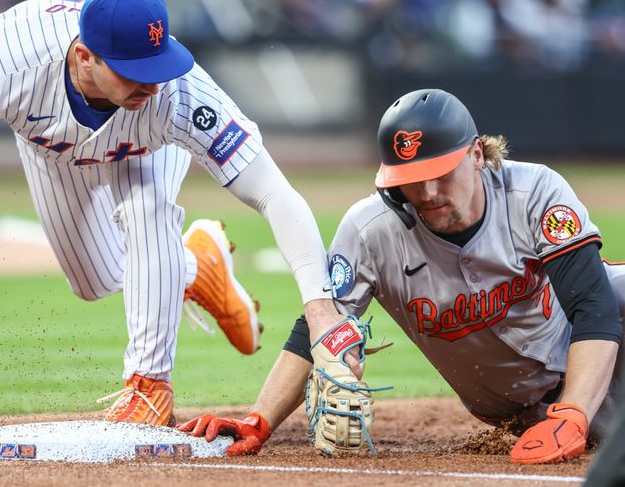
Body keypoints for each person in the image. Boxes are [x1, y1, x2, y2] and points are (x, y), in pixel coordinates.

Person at [0, 0, 348, 426]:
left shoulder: (176, 95)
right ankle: (194, 267)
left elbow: (272, 191)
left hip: (146, 147)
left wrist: (320, 306)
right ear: (85, 57)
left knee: (148, 208)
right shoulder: (6, 61)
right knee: (94, 280)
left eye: (157, 66)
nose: (153, 83)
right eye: (135, 71)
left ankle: (148, 387)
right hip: (51, 147)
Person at [180, 88, 625, 464]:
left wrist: (574, 412)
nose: (427, 193)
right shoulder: (370, 230)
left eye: (439, 174)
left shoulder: (534, 192)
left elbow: (594, 305)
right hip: (521, 402)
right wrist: (258, 420)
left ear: (476, 155)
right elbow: (317, 329)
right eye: (411, 180)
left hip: (605, 358)